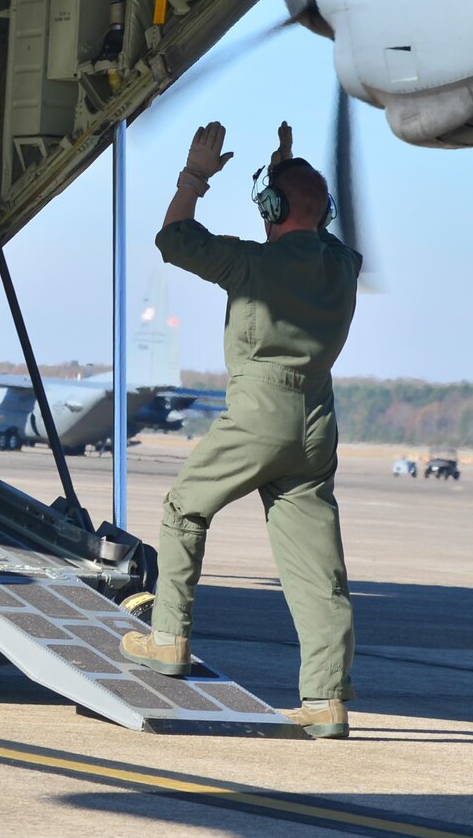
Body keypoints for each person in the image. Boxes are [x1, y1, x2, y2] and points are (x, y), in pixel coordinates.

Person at [118, 121, 361, 739]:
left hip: (260, 412)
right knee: (316, 569)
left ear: (271, 210)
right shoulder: (342, 266)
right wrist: (288, 177)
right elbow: (315, 228)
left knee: (183, 507)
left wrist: (195, 175)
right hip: (317, 422)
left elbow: (174, 238)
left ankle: (168, 638)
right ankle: (326, 701)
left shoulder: (254, 263)